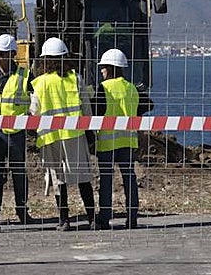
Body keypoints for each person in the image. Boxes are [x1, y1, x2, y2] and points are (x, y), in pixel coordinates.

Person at [30, 37, 99, 230]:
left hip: (50, 136)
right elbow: (86, 109)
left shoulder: (40, 83)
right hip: (74, 134)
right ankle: (92, 218)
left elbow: (33, 111)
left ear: (44, 60)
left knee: (58, 178)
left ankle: (64, 220)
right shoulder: (75, 78)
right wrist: (90, 133)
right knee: (83, 177)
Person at [0, 34, 38, 226]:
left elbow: (36, 97)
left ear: (12, 54)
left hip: (16, 131)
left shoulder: (25, 75)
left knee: (19, 173)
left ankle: (22, 211)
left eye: (2, 54)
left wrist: (31, 115)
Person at [92, 48, 147, 229]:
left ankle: (105, 217)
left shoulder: (104, 88)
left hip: (107, 142)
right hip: (129, 141)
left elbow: (97, 112)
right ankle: (132, 217)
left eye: (104, 67)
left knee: (106, 179)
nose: (101, 71)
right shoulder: (132, 88)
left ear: (111, 68)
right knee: (129, 178)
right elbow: (143, 108)